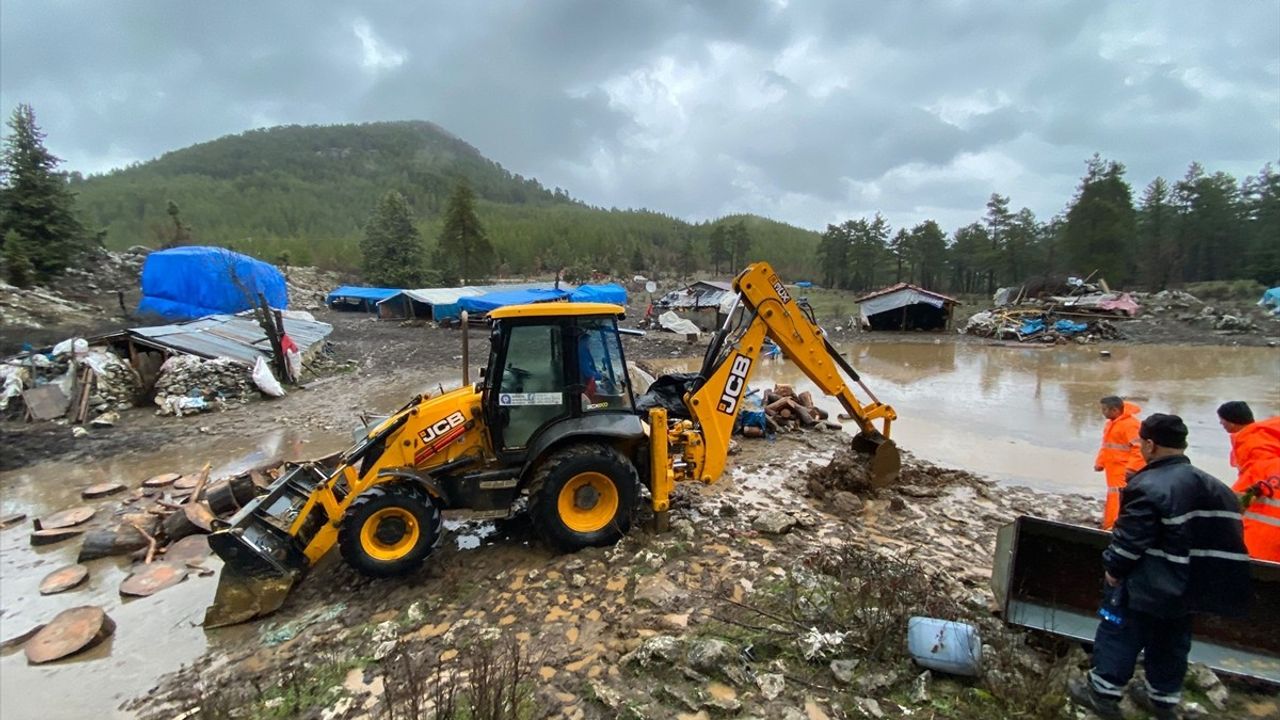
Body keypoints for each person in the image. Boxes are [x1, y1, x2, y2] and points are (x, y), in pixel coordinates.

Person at [1069, 414, 1250, 720]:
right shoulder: (1219, 489)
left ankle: (1103, 692)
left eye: (1141, 442)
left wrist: (1113, 569)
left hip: (1147, 582)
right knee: (1172, 642)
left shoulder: (1149, 485)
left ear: (1150, 445)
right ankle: (1163, 699)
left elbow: (1130, 539)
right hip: (1187, 586)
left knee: (1120, 631)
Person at [1217, 400, 1280, 562]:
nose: (1221, 423)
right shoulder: (1263, 440)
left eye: (1222, 420)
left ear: (1231, 421)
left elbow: (1239, 497)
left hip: (1260, 546)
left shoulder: (1253, 444)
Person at [1094, 396, 1145, 530]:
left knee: (1120, 499)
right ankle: (1109, 524)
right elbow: (1106, 445)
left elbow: (1139, 449)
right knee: (1113, 497)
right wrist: (1100, 462)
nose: (1102, 412)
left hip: (1123, 469)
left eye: (1104, 409)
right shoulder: (1111, 423)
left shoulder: (1131, 425)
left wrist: (1132, 469)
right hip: (1113, 468)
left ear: (1115, 410)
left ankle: (1115, 525)